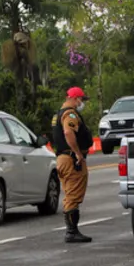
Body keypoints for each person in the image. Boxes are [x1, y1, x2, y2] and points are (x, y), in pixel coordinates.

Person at [52, 87, 95, 243]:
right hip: (71, 159)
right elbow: (68, 133)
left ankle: (72, 230)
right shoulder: (70, 114)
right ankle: (72, 231)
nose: (82, 103)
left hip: (62, 158)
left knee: (70, 194)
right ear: (75, 98)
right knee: (73, 196)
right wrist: (77, 153)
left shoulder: (57, 114)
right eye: (82, 99)